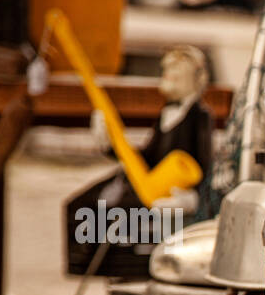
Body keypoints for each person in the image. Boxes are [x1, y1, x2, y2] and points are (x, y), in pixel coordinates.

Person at [64, 46, 213, 278]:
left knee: (112, 211)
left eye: (175, 72)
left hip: (170, 192)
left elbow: (204, 161)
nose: (168, 75)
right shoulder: (166, 113)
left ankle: (115, 260)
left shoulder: (199, 116)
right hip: (151, 183)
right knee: (83, 203)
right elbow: (147, 157)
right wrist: (110, 145)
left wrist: (195, 196)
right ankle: (85, 260)